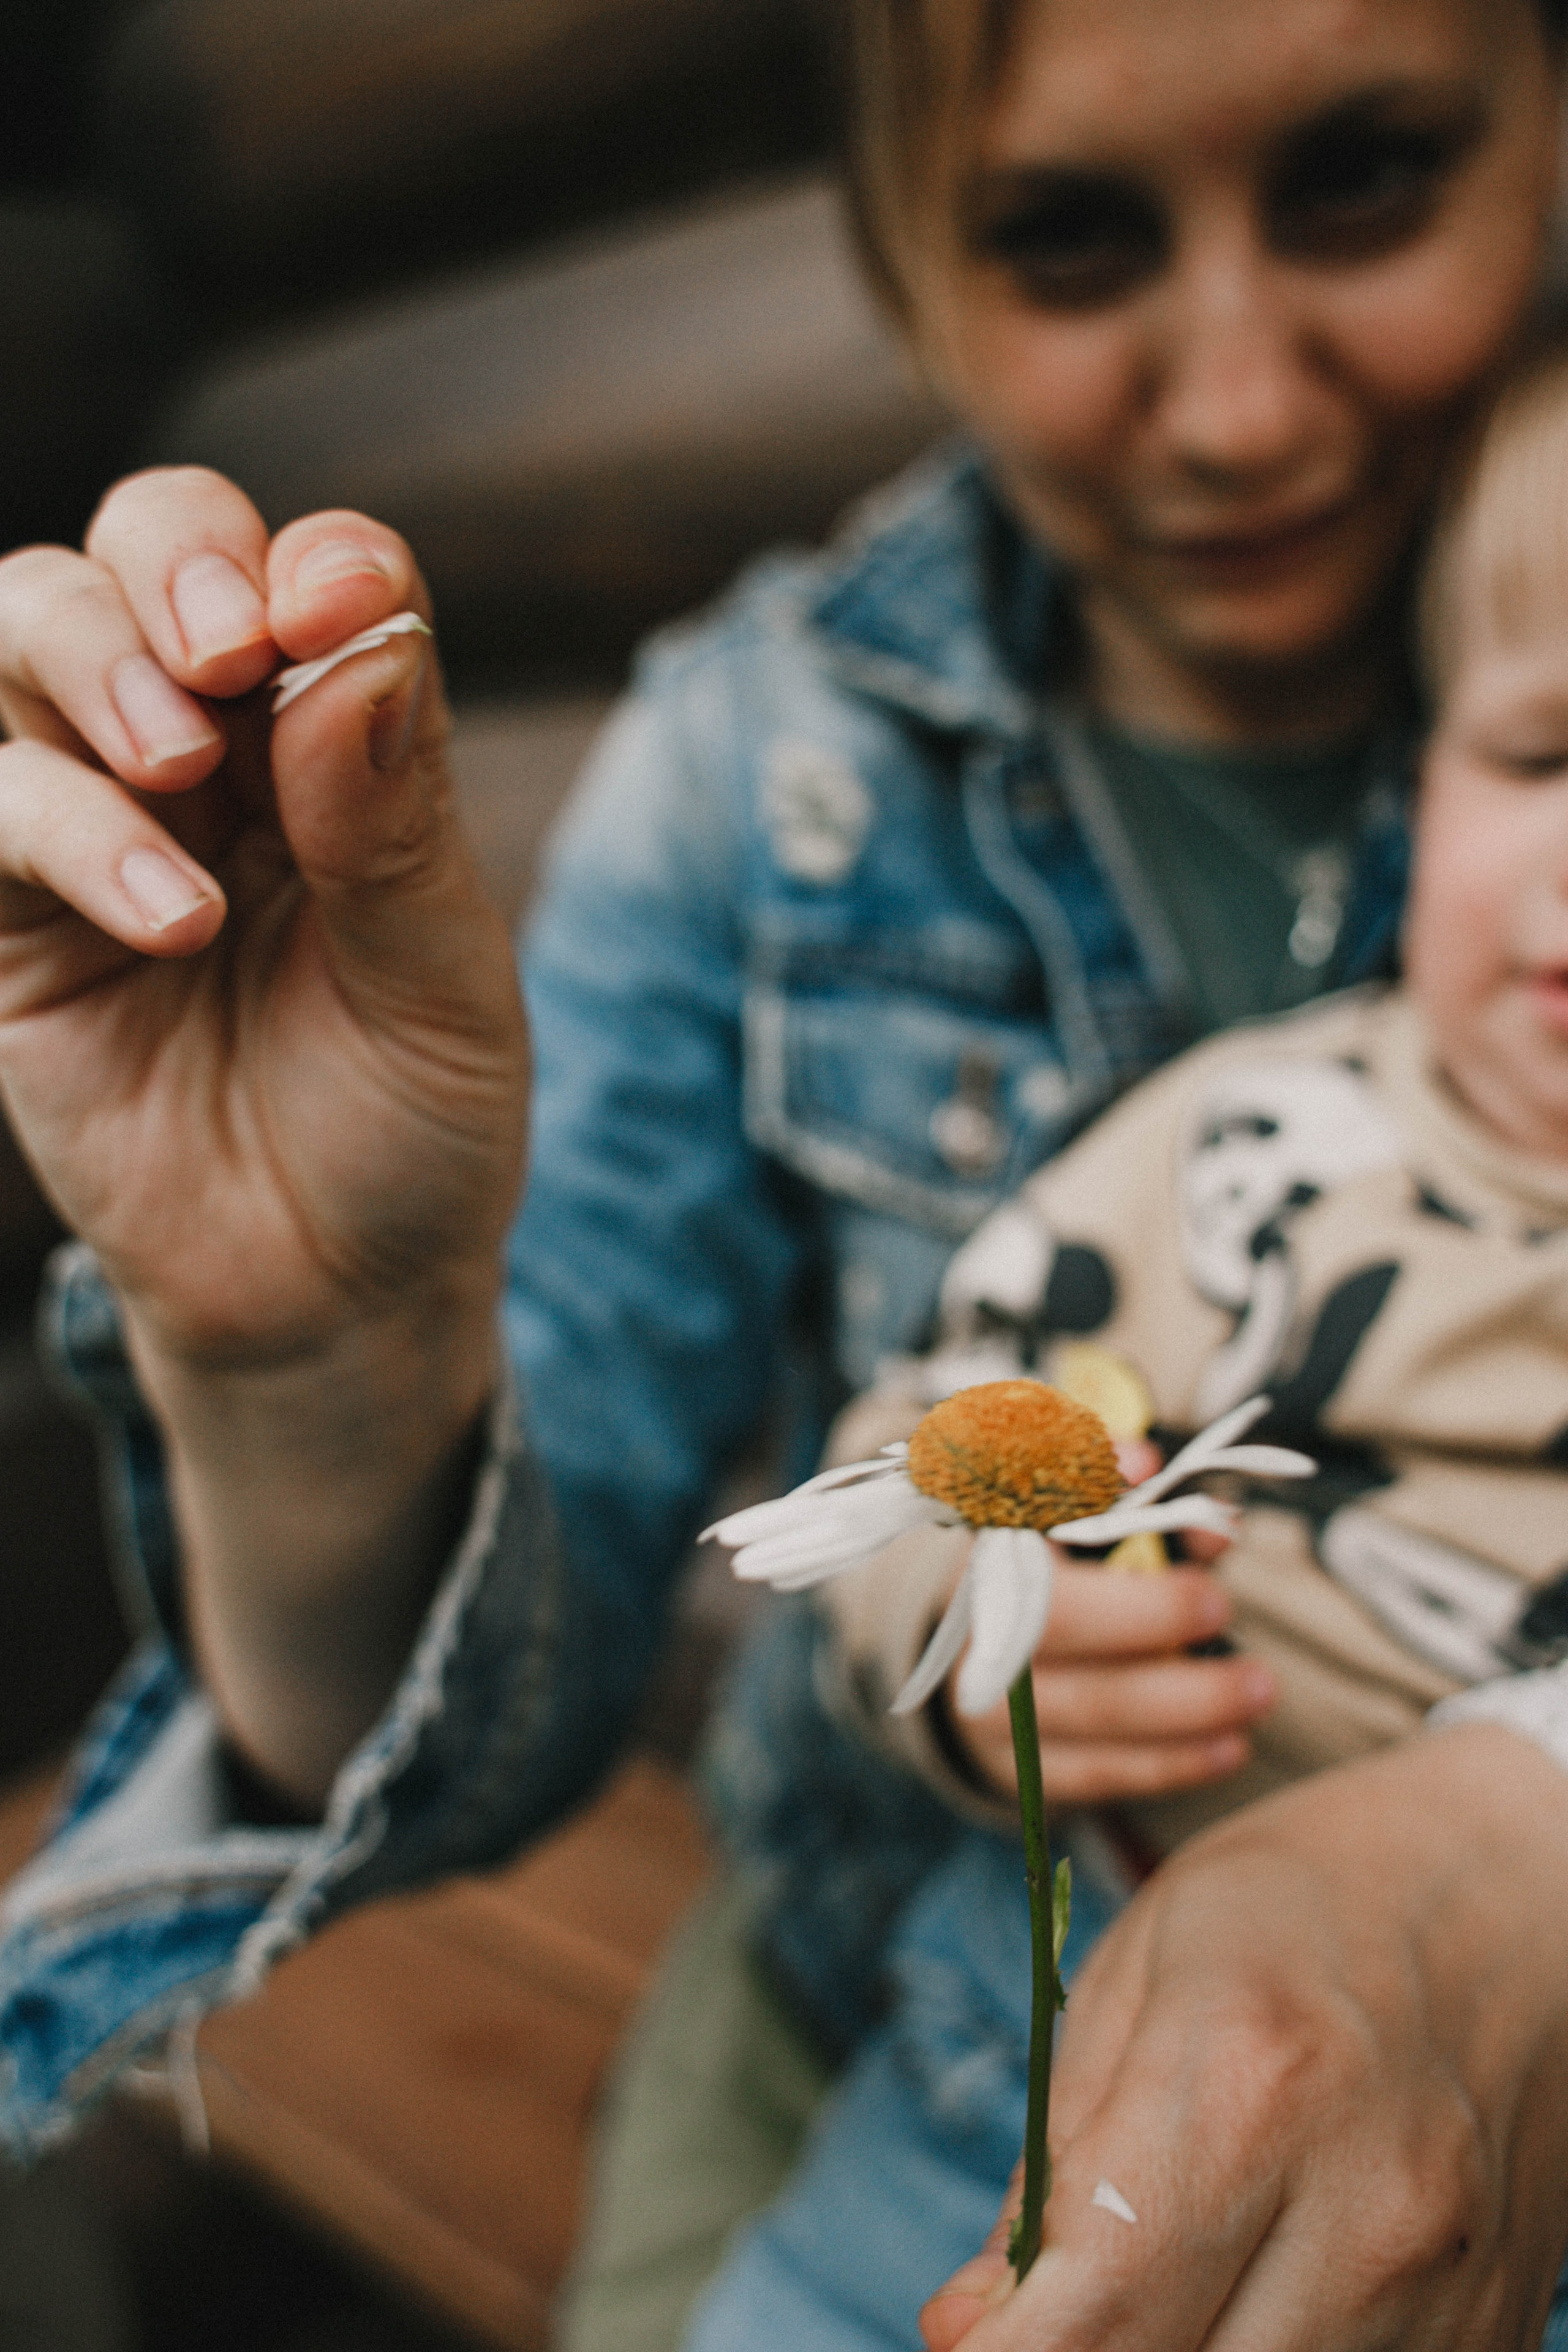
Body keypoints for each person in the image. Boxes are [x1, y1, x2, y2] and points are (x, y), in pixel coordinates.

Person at [0, 3, 1565, 2350]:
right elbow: (507, 1696)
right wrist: (299, 1353)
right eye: (1063, 238)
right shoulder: (763, 775)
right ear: (900, 260)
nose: (1241, 404)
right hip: (885, 1995)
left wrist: (1521, 1828)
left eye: (1364, 180)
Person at [767, 332, 1568, 2352]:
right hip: (1020, 2030)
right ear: (1424, 774)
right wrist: (959, 1626)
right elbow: (930, 1425)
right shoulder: (1267, 1135)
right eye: (1545, 756)